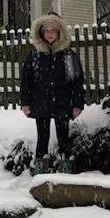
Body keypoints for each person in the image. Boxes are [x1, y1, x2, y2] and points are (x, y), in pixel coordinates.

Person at [19, 12, 85, 174]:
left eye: (53, 31)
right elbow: (26, 81)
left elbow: (76, 81)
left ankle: (66, 169)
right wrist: (25, 103)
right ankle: (41, 169)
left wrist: (77, 104)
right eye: (46, 31)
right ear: (41, 33)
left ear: (59, 32)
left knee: (64, 138)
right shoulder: (34, 56)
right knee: (42, 137)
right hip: (40, 103)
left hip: (62, 103)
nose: (50, 34)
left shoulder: (68, 56)